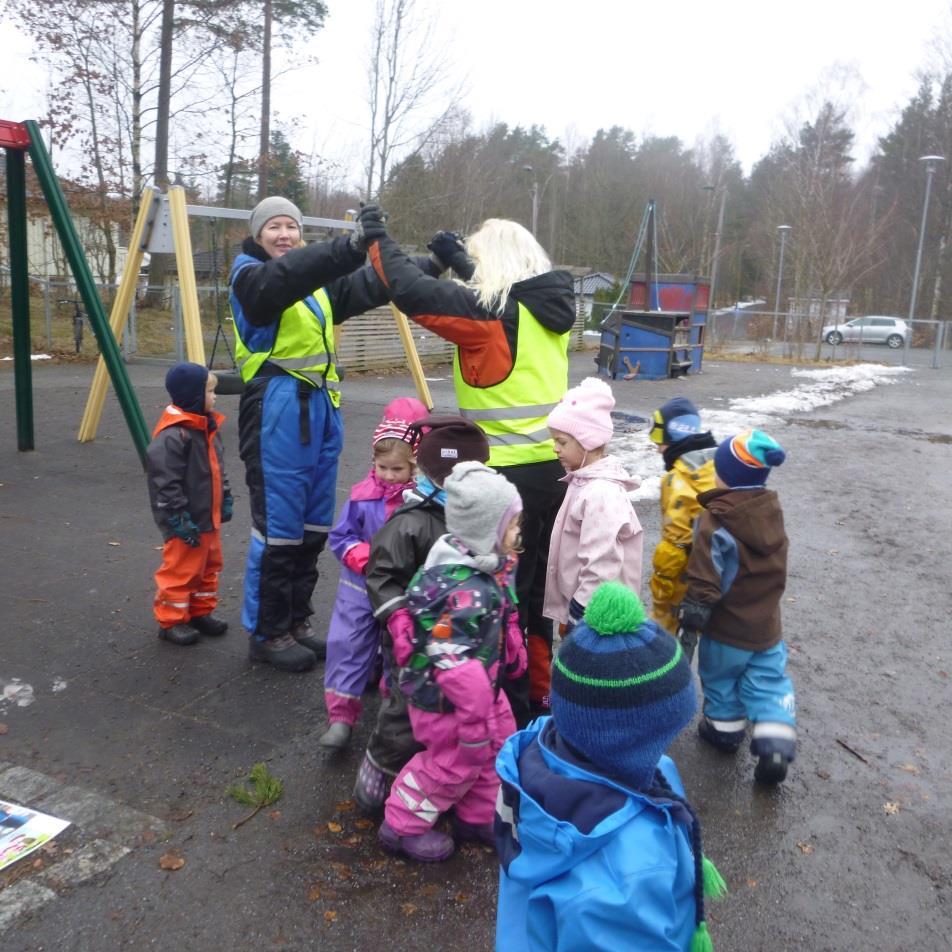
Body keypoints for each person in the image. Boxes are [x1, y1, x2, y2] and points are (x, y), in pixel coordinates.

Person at [365, 217, 577, 724]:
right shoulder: (547, 308)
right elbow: (489, 294)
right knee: (536, 597)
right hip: (552, 471)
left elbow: (414, 293)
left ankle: (504, 709)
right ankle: (539, 696)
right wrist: (461, 259)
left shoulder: (492, 315)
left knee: (496, 600)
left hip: (502, 485)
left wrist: (377, 239)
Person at [229, 199, 436, 673]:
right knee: (279, 526)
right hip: (277, 409)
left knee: (312, 524)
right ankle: (267, 631)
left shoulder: (312, 287)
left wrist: (432, 266)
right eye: (274, 227)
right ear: (258, 234)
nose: (284, 234)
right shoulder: (249, 276)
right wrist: (346, 247)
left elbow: (368, 284)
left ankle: (295, 621)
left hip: (318, 406)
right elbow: (276, 284)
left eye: (291, 227)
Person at [495, 581, 725, 952]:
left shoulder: (539, 770)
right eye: (665, 733)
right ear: (633, 739)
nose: (666, 748)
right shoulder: (625, 880)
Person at [378, 461, 527, 863]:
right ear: (486, 531)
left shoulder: (484, 568)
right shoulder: (463, 589)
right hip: (449, 703)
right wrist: (474, 715)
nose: (518, 533)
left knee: (493, 752)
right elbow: (452, 660)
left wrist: (510, 645)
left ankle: (477, 818)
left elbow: (497, 617)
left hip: (482, 691)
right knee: (452, 762)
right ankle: (401, 825)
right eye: (512, 525)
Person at [354, 416, 490, 815]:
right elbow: (382, 575)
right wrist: (397, 619)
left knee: (452, 714)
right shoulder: (410, 524)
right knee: (405, 708)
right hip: (412, 639)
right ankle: (380, 770)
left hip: (462, 639)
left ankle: (436, 779)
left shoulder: (477, 515)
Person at [678, 429, 795, 784]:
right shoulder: (770, 513)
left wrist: (691, 620)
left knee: (720, 680)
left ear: (726, 476)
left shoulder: (715, 522)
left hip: (725, 630)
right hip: (766, 629)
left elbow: (705, 577)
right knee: (770, 681)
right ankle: (775, 743)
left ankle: (724, 730)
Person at [319, 396, 428, 753]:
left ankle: (392, 709)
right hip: (360, 586)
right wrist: (364, 557)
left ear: (413, 465)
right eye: (382, 467)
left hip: (400, 589)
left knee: (399, 647)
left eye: (397, 470)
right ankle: (340, 716)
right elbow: (341, 536)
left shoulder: (420, 504)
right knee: (347, 643)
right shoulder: (363, 496)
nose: (388, 476)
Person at [543, 377, 643, 633]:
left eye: (562, 442)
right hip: (586, 607)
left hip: (597, 615)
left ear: (587, 441)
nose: (555, 449)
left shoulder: (600, 493)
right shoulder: (583, 482)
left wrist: (581, 608)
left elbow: (602, 561)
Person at [146, 362, 232, 647]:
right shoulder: (174, 436)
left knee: (209, 567)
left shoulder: (206, 427)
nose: (215, 397)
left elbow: (218, 467)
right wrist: (177, 518)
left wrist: (226, 495)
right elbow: (165, 484)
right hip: (186, 520)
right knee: (181, 571)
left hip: (209, 517)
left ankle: (199, 612)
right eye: (210, 391)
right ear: (193, 395)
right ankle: (170, 620)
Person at [648, 397, 718, 646]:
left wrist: (660, 598)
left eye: (660, 440)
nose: (657, 448)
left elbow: (673, 547)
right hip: (717, 581)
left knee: (668, 649)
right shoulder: (719, 466)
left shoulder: (676, 481)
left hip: (684, 587)